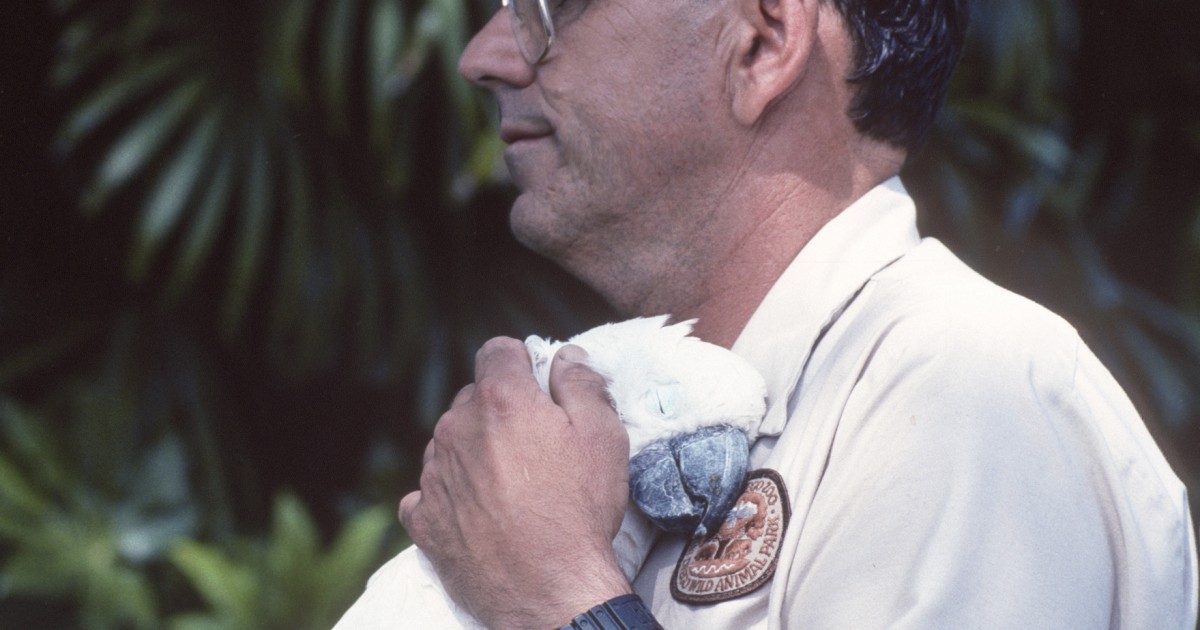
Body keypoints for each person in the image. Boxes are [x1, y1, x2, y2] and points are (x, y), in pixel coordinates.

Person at [388, 0, 1200, 627]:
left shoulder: (969, 385)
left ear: (762, 44)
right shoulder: (614, 427)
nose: (485, 55)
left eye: (552, 7)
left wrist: (559, 597)